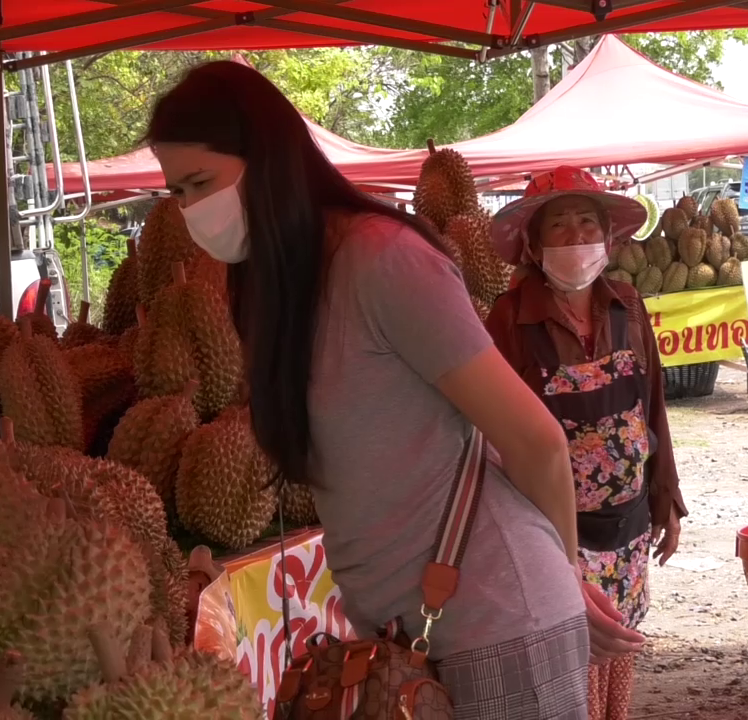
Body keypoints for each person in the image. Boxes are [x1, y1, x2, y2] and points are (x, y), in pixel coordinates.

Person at [145, 60, 643, 719]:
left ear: (267, 160)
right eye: (178, 193)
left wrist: (568, 580)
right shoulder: (282, 290)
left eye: (201, 183)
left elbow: (536, 441)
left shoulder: (385, 260)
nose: (191, 210)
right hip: (401, 635)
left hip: (500, 619)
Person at [485, 166, 687, 720]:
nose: (576, 236)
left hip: (627, 524)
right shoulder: (509, 320)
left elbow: (652, 406)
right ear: (534, 244)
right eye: (559, 225)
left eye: (587, 222)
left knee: (617, 649)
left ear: (607, 236)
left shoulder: (628, 306)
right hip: (552, 532)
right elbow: (491, 431)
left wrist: (666, 497)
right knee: (566, 663)